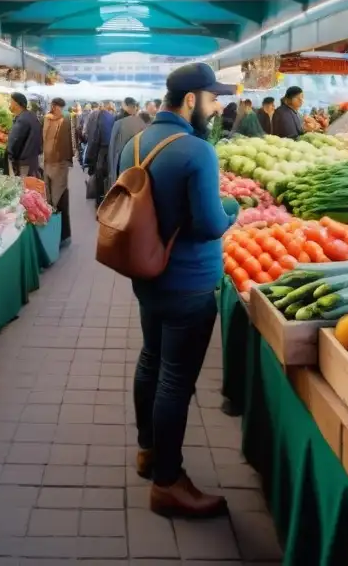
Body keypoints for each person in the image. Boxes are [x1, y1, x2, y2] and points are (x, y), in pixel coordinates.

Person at [118, 62, 235, 518]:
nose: (217, 106)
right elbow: (208, 225)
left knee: (151, 359)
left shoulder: (133, 142)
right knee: (174, 380)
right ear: (191, 101)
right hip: (189, 282)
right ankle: (168, 481)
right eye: (212, 99)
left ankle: (148, 450)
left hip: (147, 276)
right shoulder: (196, 150)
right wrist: (233, 209)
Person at [43, 97, 73, 244]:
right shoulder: (46, 119)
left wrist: (67, 160)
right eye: (56, 107)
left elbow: (70, 142)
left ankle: (63, 235)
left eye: (60, 107)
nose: (57, 109)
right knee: (48, 199)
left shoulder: (66, 120)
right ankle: (53, 233)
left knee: (59, 198)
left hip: (60, 165)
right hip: (47, 164)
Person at [107, 97, 146, 193]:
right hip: (139, 168)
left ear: (126, 106)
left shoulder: (118, 123)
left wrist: (111, 174)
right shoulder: (144, 124)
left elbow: (112, 148)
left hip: (120, 167)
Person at [6, 92, 43, 177]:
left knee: (24, 187)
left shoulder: (22, 120)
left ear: (16, 103)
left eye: (10, 102)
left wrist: (11, 157)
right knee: (30, 186)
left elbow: (15, 141)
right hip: (32, 160)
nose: (9, 104)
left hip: (24, 163)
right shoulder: (31, 116)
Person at [85, 102, 115, 206]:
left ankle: (99, 201)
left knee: (99, 175)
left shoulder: (95, 116)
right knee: (106, 174)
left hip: (99, 150)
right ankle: (105, 200)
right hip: (107, 149)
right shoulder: (111, 117)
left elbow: (92, 136)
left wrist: (89, 156)